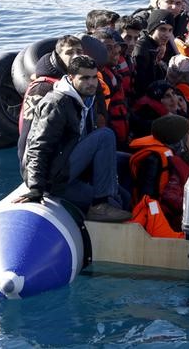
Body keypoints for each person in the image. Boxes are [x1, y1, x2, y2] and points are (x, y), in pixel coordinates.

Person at [16, 55, 131, 222]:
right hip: (54, 177)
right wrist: (35, 188)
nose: (91, 83)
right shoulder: (56, 104)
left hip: (72, 165)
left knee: (125, 191)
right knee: (105, 136)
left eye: (94, 77)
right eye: (84, 78)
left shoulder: (87, 98)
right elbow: (38, 147)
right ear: (71, 78)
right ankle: (100, 205)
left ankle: (106, 201)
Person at [17, 35, 84, 163]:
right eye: (69, 52)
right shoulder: (42, 88)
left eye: (79, 52)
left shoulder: (73, 82)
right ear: (58, 57)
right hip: (46, 165)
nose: (76, 56)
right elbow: (28, 133)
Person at [129, 114, 189, 230]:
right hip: (155, 215)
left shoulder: (177, 156)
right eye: (188, 133)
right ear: (177, 138)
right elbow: (147, 196)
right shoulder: (154, 160)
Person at [132, 9, 175, 98]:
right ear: (152, 29)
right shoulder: (142, 48)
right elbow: (141, 85)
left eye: (170, 30)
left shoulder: (157, 45)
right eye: (162, 29)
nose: (167, 35)